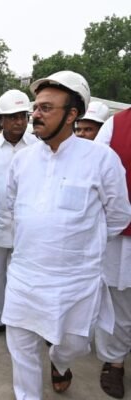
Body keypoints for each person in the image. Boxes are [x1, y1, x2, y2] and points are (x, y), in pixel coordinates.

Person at [2, 70, 131, 399]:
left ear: (72, 114)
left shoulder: (101, 160)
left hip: (75, 281)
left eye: (46, 108)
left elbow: (118, 216)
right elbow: (14, 206)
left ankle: (59, 362)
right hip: (25, 276)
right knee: (21, 349)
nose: (36, 114)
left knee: (74, 343)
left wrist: (80, 245)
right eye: (36, 107)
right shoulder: (23, 160)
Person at [0, 89, 39, 340]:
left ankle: (25, 320)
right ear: (1, 119)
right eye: (13, 117)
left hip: (28, 225)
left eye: (23, 116)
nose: (19, 122)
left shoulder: (37, 145)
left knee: (27, 275)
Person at [93, 108, 131, 399]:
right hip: (122, 235)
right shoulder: (115, 126)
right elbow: (93, 175)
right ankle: (115, 362)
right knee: (119, 302)